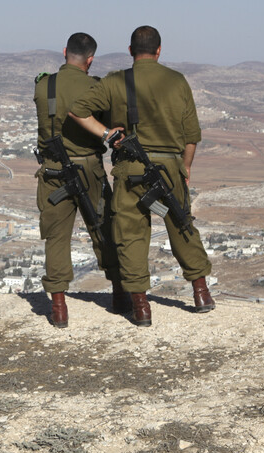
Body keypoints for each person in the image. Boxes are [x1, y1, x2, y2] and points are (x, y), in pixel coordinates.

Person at [69, 25, 215, 327]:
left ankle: (141, 307)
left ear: (130, 50)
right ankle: (201, 292)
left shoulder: (115, 82)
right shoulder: (177, 82)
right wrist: (184, 168)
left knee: (130, 235)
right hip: (170, 166)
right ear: (159, 51)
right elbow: (191, 137)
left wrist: (108, 134)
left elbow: (78, 110)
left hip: (131, 169)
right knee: (181, 224)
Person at [34, 32, 127, 328]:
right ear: (90, 60)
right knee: (104, 228)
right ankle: (119, 294)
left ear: (64, 52)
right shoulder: (95, 88)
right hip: (88, 168)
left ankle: (59, 307)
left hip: (52, 171)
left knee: (56, 236)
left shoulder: (43, 85)